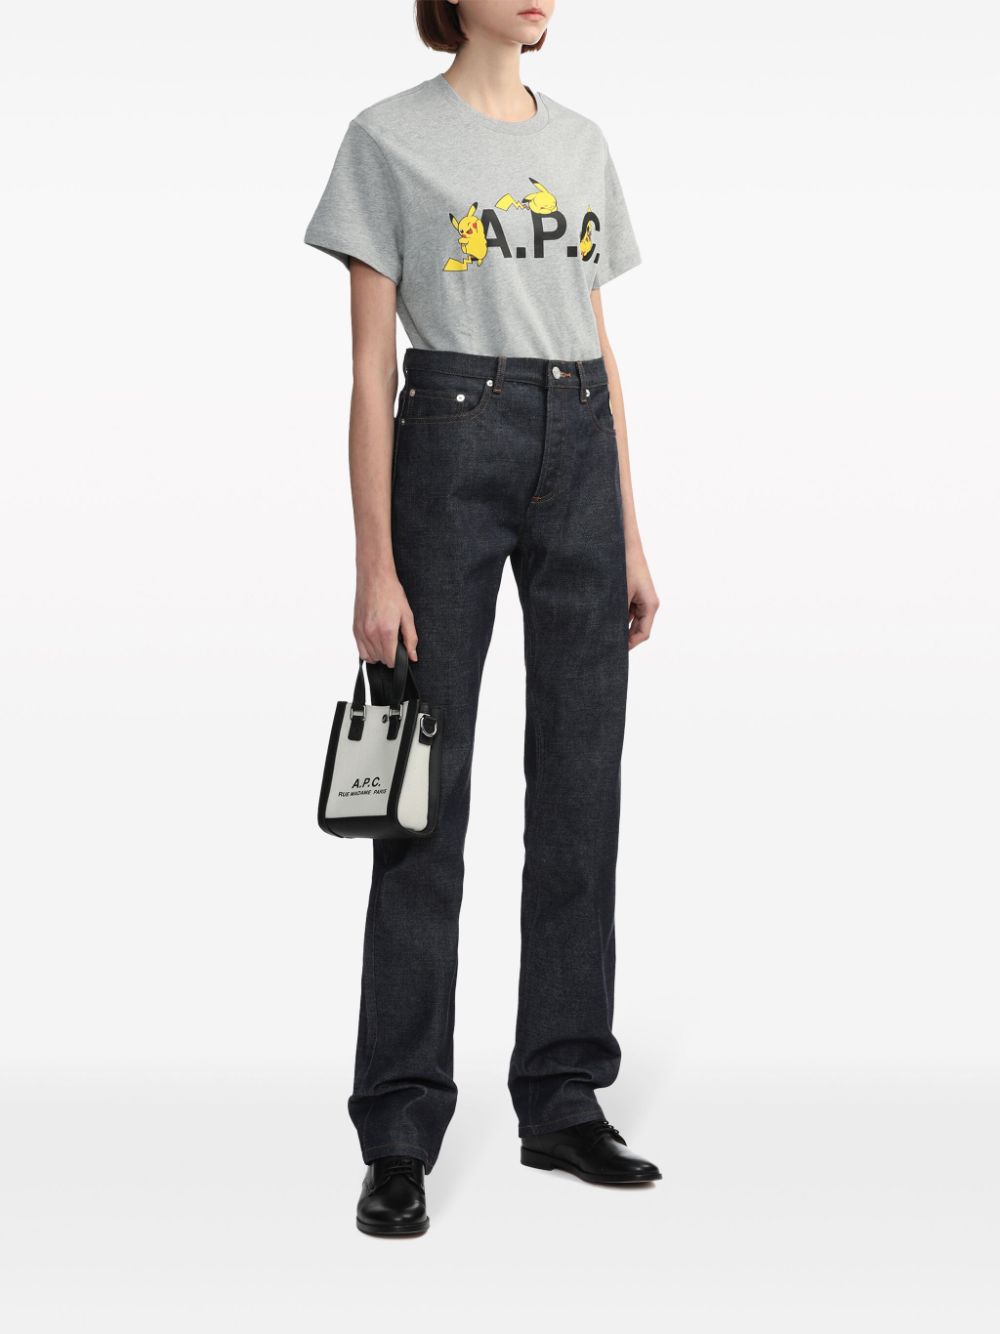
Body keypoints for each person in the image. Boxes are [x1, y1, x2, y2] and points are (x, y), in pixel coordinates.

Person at [303, 0, 662, 1238]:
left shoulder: (581, 144)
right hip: (451, 439)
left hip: (579, 448)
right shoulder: (386, 138)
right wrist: (374, 563)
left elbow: (599, 345)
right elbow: (366, 366)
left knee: (580, 785)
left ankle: (561, 1094)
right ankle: (399, 1125)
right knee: (423, 800)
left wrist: (630, 531)